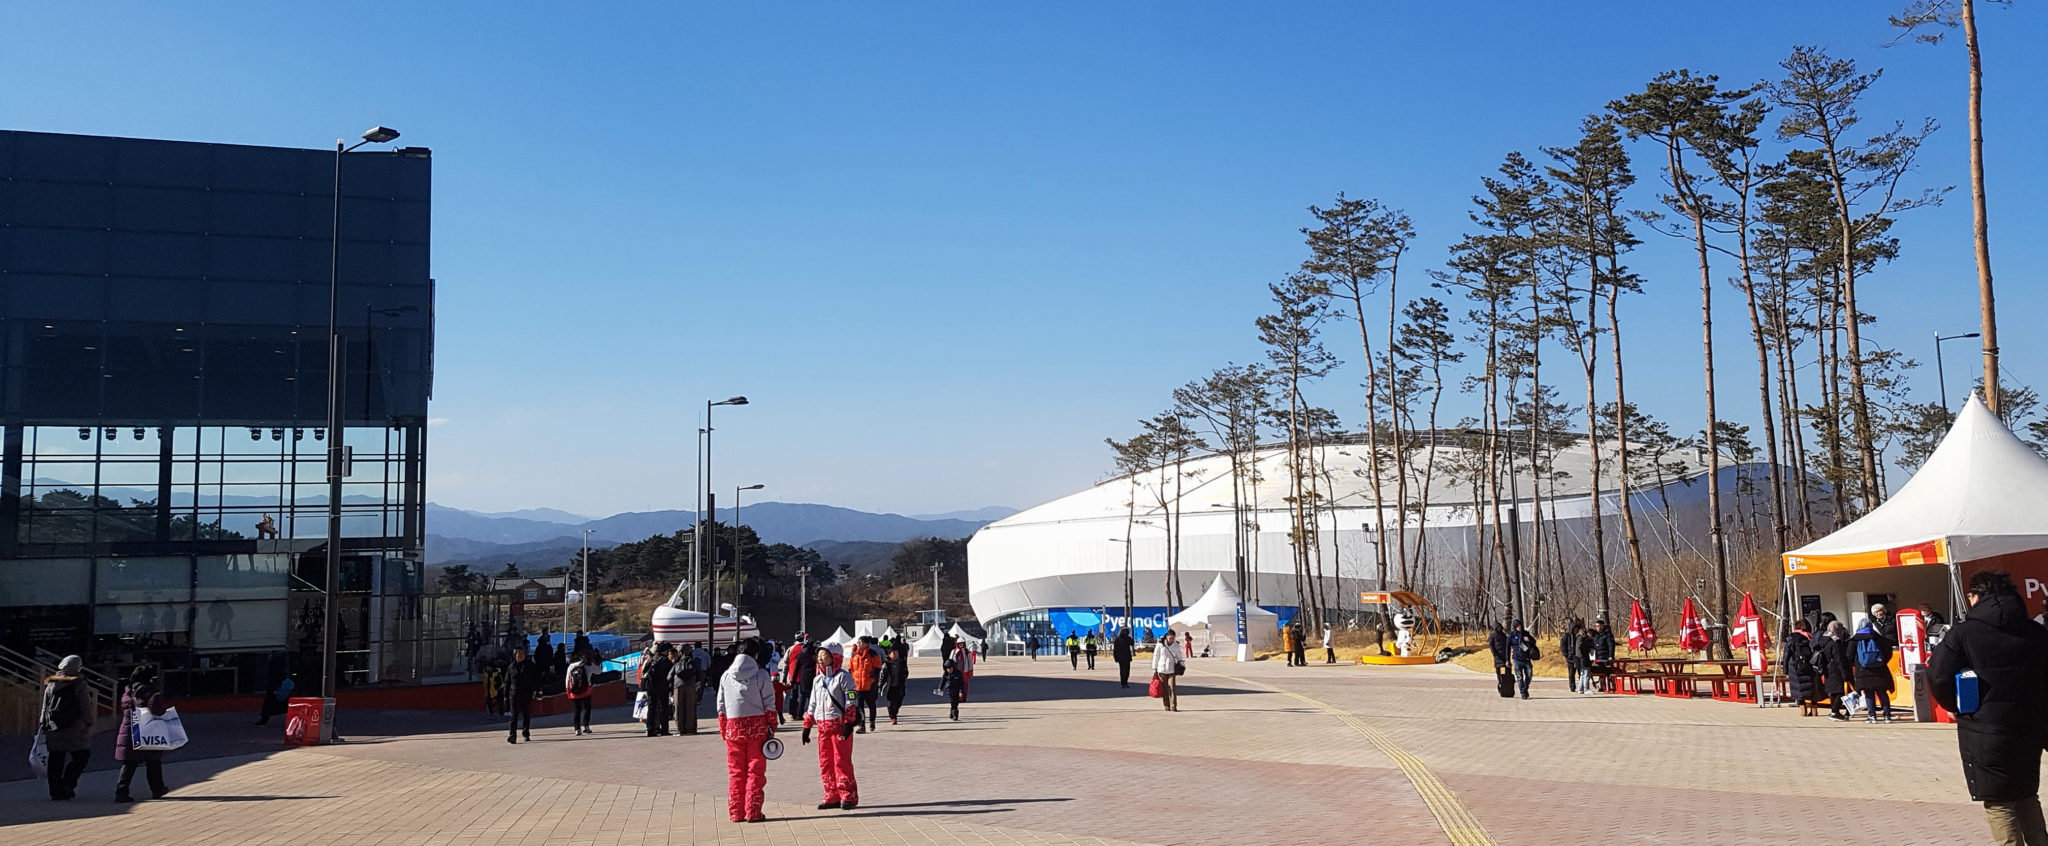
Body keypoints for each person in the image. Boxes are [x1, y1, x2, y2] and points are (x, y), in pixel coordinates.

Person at [1929, 570, 2048, 845]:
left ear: (1975, 596)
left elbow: (1938, 675)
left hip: (1985, 729)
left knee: (1999, 801)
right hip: (2030, 726)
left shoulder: (1964, 633)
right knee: (2026, 794)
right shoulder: (2034, 631)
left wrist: (1954, 705)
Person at [718, 637, 779, 823]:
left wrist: (724, 729)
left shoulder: (726, 676)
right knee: (755, 771)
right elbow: (769, 703)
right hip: (757, 728)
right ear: (756, 654)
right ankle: (753, 811)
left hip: (733, 728)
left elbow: (721, 706)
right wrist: (772, 726)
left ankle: (736, 812)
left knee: (735, 772)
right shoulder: (761, 675)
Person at [802, 642, 860, 810]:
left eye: (824, 656)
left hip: (839, 727)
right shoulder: (817, 680)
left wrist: (848, 721)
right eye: (819, 656)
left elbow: (850, 700)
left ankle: (847, 795)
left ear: (835, 657)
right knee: (825, 763)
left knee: (841, 762)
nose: (820, 659)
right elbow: (812, 704)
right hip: (822, 728)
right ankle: (831, 795)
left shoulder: (843, 677)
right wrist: (807, 726)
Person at [39, 654, 95, 800]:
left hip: (54, 727)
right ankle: (68, 783)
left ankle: (55, 791)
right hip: (74, 728)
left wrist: (43, 724)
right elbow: (85, 707)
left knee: (55, 759)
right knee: (82, 756)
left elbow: (45, 706)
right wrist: (89, 722)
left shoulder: (51, 683)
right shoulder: (79, 684)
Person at [114, 664, 169, 802]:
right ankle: (157, 789)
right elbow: (157, 710)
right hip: (149, 730)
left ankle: (121, 792)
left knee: (129, 763)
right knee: (153, 761)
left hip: (129, 731)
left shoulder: (127, 692)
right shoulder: (151, 692)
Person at [1849, 617, 1896, 722]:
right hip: (1880, 670)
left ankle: (1872, 716)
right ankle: (1887, 715)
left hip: (1863, 671)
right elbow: (1888, 651)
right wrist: (1882, 662)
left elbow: (1849, 655)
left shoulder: (1855, 639)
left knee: (1869, 694)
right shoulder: (1878, 637)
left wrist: (1857, 664)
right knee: (1882, 693)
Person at [1816, 620, 1854, 721]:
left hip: (1827, 669)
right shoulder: (1835, 642)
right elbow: (1839, 659)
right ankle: (1835, 712)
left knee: (1833, 692)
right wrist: (1844, 673)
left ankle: (1834, 711)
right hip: (1836, 670)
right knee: (1841, 691)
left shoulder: (1824, 640)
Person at [1782, 619, 1820, 716]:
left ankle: (1803, 710)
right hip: (1810, 665)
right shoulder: (1811, 638)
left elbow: (1786, 654)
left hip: (1795, 666)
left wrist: (1785, 669)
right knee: (1812, 687)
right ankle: (1814, 709)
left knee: (1798, 688)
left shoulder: (1791, 638)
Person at [506, 645, 539, 743]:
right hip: (514, 694)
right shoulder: (511, 667)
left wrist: (535, 690)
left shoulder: (530, 665)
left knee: (526, 715)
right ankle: (512, 735)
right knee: (514, 716)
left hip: (526, 693)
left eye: (522, 654)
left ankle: (526, 733)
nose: (520, 655)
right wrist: (505, 696)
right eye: (518, 654)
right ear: (515, 655)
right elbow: (507, 682)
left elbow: (535, 679)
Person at [642, 644, 676, 736]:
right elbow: (671, 674)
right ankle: (664, 729)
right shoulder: (666, 661)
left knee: (651, 708)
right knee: (663, 708)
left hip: (650, 687)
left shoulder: (651, 659)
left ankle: (650, 729)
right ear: (666, 651)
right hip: (662, 687)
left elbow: (644, 672)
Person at [671, 643, 703, 735]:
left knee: (678, 708)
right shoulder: (694, 662)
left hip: (678, 686)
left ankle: (680, 729)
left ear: (680, 652)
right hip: (691, 686)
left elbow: (669, 676)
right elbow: (700, 675)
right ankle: (691, 729)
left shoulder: (677, 663)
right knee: (690, 707)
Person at [565, 649, 596, 735]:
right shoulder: (589, 665)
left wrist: (568, 690)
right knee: (587, 708)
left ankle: (577, 729)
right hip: (586, 690)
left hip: (575, 690)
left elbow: (567, 679)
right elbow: (599, 670)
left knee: (577, 709)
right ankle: (586, 726)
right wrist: (594, 662)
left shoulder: (571, 666)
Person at [1152, 630, 1184, 712]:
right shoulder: (1160, 645)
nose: (1171, 640)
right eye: (1170, 638)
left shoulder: (1176, 645)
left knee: (1172, 688)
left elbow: (1179, 656)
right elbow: (1156, 656)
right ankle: (1166, 705)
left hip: (1171, 669)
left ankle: (1174, 706)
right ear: (1166, 637)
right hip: (1161, 669)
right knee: (1165, 689)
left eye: (1173, 638)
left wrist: (1182, 665)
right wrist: (1155, 668)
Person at [1507, 620, 1538, 700]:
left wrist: (1528, 640)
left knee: (1529, 675)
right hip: (1517, 659)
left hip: (1526, 658)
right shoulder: (1512, 635)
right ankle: (1523, 693)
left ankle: (1524, 689)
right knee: (1519, 677)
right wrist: (1507, 659)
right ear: (1515, 627)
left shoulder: (1526, 633)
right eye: (1517, 626)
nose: (1519, 627)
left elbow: (1534, 642)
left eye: (1520, 625)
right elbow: (1507, 648)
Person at [1584, 619, 1616, 693]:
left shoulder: (1607, 635)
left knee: (1609, 671)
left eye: (1598, 626)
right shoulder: (1595, 635)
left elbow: (1611, 646)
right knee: (1600, 671)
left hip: (1606, 656)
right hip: (1597, 656)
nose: (1597, 627)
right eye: (1596, 626)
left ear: (1602, 626)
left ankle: (1613, 685)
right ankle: (1602, 686)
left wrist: (1611, 656)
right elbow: (1592, 644)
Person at [882, 639, 909, 725]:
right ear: (889, 654)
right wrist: (880, 685)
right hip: (891, 686)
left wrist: (903, 677)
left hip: (900, 686)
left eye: (896, 652)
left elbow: (906, 672)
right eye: (893, 652)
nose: (896, 654)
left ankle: (895, 712)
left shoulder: (901, 662)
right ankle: (893, 717)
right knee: (891, 703)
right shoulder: (887, 664)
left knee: (898, 703)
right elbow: (883, 676)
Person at [1561, 619, 1585, 694]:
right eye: (1575, 629)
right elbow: (1562, 646)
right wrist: (1567, 655)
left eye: (1577, 629)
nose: (1576, 630)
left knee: (1581, 673)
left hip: (1578, 657)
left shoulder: (1579, 636)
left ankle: (1581, 686)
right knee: (1571, 673)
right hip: (1570, 657)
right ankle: (1572, 687)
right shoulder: (1566, 636)